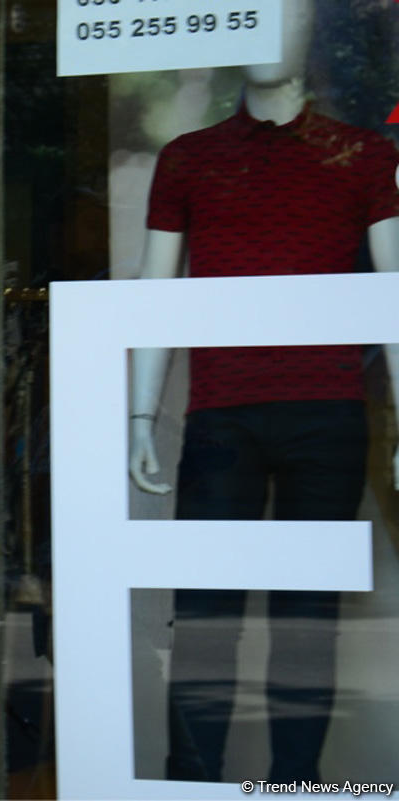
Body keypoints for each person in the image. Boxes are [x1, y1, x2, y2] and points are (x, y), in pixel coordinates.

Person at [128, 0, 399, 782]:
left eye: (286, 15)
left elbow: (394, 293)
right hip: (221, 417)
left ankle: (297, 788)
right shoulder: (188, 157)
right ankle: (194, 785)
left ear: (312, 32)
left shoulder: (361, 154)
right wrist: (143, 416)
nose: (268, 34)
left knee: (307, 623)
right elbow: (155, 291)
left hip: (328, 415)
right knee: (207, 617)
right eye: (252, 14)